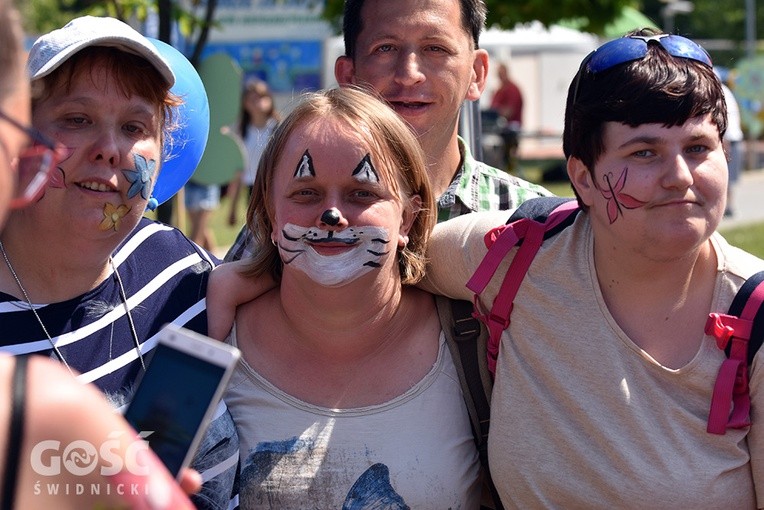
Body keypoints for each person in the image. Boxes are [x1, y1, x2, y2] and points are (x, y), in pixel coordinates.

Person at [422, 29, 764, 507]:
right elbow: (396, 263)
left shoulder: (756, 316)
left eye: (699, 147)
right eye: (644, 153)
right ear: (582, 177)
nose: (680, 177)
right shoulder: (515, 253)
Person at [0, 16, 237, 509]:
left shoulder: (181, 270)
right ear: (21, 139)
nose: (110, 150)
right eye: (77, 119)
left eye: (134, 127)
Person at [218, 86, 481, 508]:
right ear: (269, 213)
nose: (332, 215)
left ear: (408, 217)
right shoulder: (211, 338)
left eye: (363, 193)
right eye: (306, 193)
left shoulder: (473, 341)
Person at [223, 0, 552, 263]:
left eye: (435, 48)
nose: (409, 74)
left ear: (477, 74)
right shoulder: (288, 225)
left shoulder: (538, 224)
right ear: (348, 75)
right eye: (385, 48)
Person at [226, 79, 280, 227]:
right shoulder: (242, 131)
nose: (258, 102)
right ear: (245, 103)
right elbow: (238, 171)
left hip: (274, 187)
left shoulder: (277, 128)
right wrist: (233, 208)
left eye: (262, 97)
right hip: (252, 188)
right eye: (252, 98)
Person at [489, 62, 523, 171]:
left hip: (510, 127)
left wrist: (497, 112)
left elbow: (509, 112)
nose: (499, 76)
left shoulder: (512, 89)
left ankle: (506, 165)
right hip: (498, 127)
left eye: (501, 73)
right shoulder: (499, 90)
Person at [720, 78, 744, 217]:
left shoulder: (721, 91)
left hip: (729, 139)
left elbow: (724, 119)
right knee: (728, 176)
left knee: (726, 176)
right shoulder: (727, 91)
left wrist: (724, 142)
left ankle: (727, 206)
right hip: (733, 138)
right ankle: (728, 205)